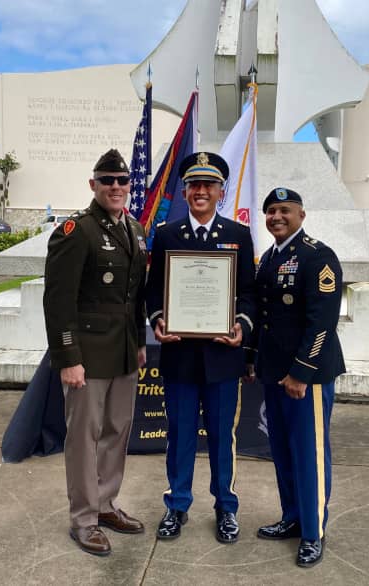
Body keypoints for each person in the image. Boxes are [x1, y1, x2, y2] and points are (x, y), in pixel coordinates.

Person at [145, 151, 256, 544]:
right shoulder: (168, 234)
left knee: (222, 437)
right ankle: (177, 505)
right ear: (186, 191)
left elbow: (247, 293)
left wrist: (241, 325)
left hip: (223, 358)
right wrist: (159, 318)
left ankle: (226, 507)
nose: (201, 191)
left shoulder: (239, 236)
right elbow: (152, 289)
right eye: (194, 185)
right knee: (180, 434)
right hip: (179, 356)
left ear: (221, 192)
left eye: (209, 185)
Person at [43, 148, 148, 557]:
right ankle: (84, 519)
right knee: (84, 438)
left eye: (122, 181)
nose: (116, 187)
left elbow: (133, 296)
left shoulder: (135, 229)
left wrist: (138, 343)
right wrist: (68, 359)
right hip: (87, 354)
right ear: (94, 185)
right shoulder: (76, 230)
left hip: (123, 351)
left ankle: (106, 505)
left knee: (117, 431)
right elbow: (59, 301)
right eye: (108, 181)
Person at [245, 187, 345, 568]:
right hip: (274, 375)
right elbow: (267, 319)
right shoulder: (270, 258)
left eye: (284, 210)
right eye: (270, 211)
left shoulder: (317, 256)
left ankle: (313, 532)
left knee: (309, 454)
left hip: (307, 378)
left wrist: (301, 373)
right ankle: (291, 517)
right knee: (283, 452)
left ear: (301, 215)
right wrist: (252, 359)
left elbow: (322, 322)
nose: (276, 217)